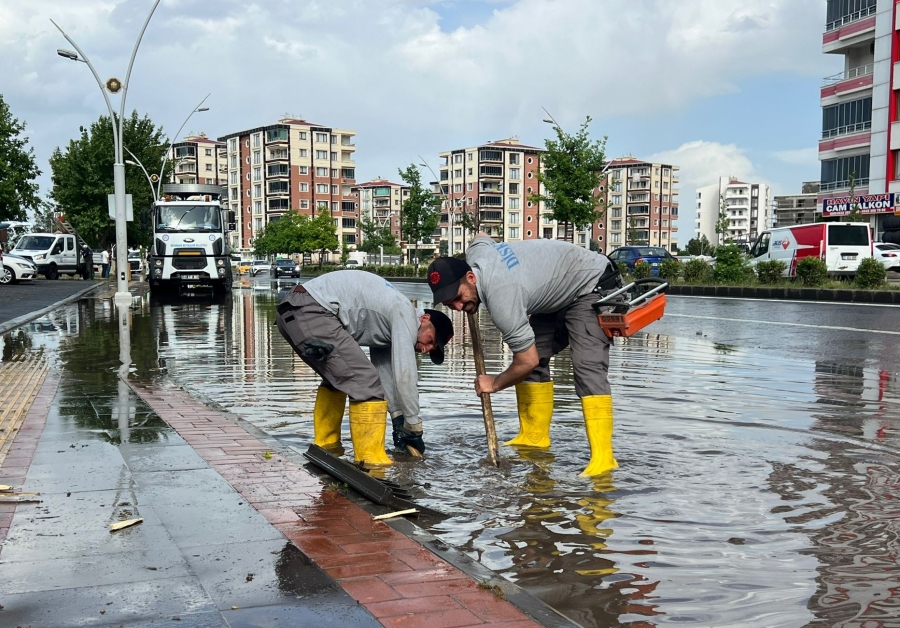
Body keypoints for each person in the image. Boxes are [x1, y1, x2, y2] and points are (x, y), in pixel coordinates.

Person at [427, 236, 621, 477]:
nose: (457, 307)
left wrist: (495, 383)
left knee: (586, 368)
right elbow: (480, 239)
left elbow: (526, 361)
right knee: (535, 358)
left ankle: (604, 459)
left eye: (458, 298)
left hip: (592, 283)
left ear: (471, 277)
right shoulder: (476, 257)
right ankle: (534, 437)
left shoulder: (502, 299)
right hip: (555, 295)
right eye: (449, 303)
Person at [275, 270, 454, 468]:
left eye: (431, 350)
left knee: (343, 378)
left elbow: (385, 372)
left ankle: (327, 447)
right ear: (425, 319)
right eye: (431, 341)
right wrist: (413, 426)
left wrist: (397, 418)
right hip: (312, 310)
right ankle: (372, 463)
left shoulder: (390, 323)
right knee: (365, 381)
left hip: (295, 312)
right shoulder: (405, 313)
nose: (425, 349)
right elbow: (405, 375)